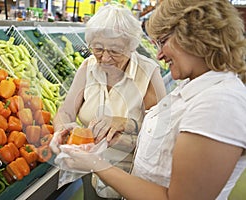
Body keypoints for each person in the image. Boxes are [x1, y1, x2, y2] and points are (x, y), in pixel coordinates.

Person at [55, 0, 246, 199]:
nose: (159, 54)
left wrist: (95, 163)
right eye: (98, 48)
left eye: (163, 41)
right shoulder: (194, 89)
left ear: (194, 37)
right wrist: (121, 133)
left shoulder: (220, 104)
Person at [50, 3, 166, 200]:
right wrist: (61, 130)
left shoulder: (148, 73)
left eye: (115, 51)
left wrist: (123, 131)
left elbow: (161, 137)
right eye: (98, 48)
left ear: (131, 46)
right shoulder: (88, 67)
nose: (105, 58)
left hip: (132, 181)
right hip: (90, 174)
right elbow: (66, 112)